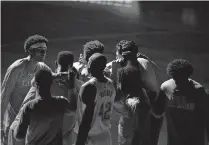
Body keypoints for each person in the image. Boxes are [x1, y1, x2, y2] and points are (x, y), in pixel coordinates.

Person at [8, 51, 82, 145]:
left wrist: (57, 76)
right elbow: (75, 110)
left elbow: (34, 81)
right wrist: (72, 84)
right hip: (66, 138)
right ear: (71, 65)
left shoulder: (31, 101)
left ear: (56, 63)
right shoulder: (76, 88)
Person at [104, 40, 162, 145]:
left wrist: (114, 72)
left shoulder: (138, 66)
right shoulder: (144, 63)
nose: (116, 58)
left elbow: (115, 97)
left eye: (117, 55)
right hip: (144, 113)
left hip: (136, 115)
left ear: (121, 55)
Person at [1, 34, 52, 145]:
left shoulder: (42, 67)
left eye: (45, 50)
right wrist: (0, 126)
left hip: (29, 121)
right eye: (40, 50)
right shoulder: (16, 68)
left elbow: (53, 78)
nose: (43, 53)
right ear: (30, 51)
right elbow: (4, 96)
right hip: (12, 121)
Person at [153, 59, 209, 145]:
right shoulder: (165, 88)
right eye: (176, 80)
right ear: (172, 76)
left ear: (188, 76)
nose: (179, 84)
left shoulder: (198, 90)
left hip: (194, 140)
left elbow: (206, 116)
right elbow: (158, 112)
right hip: (174, 140)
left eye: (182, 80)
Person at [14, 69, 76, 145]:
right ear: (51, 83)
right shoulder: (60, 102)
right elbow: (73, 109)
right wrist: (71, 87)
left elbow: (19, 136)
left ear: (36, 84)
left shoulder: (29, 107)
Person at [74, 53, 116, 145]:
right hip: (106, 137)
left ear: (90, 65)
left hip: (91, 137)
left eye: (88, 62)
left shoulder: (89, 87)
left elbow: (87, 118)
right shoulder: (111, 84)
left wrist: (79, 142)